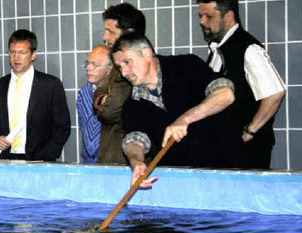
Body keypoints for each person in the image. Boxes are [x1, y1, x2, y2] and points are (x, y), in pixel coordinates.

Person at [112, 33, 246, 188]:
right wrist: (137, 163)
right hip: (184, 183)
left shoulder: (186, 65)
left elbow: (225, 94)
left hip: (229, 172)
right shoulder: (132, 105)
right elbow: (135, 140)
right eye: (119, 66)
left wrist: (185, 119)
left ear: (146, 53)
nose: (124, 72)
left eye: (127, 62)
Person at [197, 0, 286, 169]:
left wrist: (249, 132)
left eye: (208, 16)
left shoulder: (248, 48)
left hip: (247, 153)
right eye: (200, 16)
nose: (202, 22)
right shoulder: (217, 50)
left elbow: (275, 93)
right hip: (227, 150)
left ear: (229, 16)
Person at [0, 29, 70, 161]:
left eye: (22, 52)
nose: (16, 58)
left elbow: (62, 125)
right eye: (12, 52)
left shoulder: (50, 85)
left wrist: (48, 154)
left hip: (40, 160)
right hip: (6, 158)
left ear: (33, 55)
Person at [93, 2, 146, 165]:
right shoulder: (117, 67)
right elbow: (98, 94)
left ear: (129, 34)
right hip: (115, 159)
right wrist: (102, 97)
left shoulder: (131, 69)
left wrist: (103, 100)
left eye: (110, 31)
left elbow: (109, 111)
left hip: (125, 162)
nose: (105, 37)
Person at [76, 45, 113, 164]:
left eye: (94, 65)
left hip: (112, 163)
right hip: (88, 162)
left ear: (110, 69)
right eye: (87, 63)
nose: (88, 68)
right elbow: (84, 128)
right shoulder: (84, 92)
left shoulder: (117, 94)